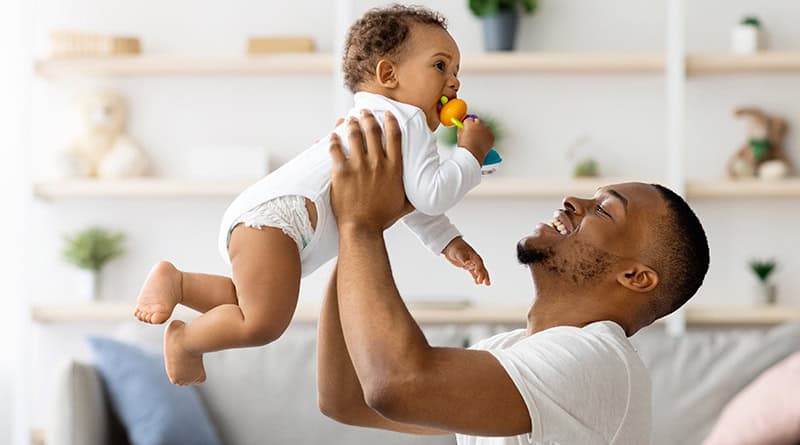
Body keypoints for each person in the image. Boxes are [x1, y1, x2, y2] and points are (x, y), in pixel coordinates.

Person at [132, 4, 495, 385]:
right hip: (281, 222)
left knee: (247, 304)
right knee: (263, 324)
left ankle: (181, 284)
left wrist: (447, 240)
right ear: (388, 74)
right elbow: (431, 194)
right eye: (440, 66)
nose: (453, 83)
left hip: (266, 217)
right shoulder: (407, 121)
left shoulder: (382, 122)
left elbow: (409, 198)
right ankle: (186, 340)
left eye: (456, 73)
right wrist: (470, 154)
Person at [317, 112, 710, 444]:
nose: (574, 202)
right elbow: (347, 398)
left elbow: (398, 385)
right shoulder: (510, 350)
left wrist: (361, 224)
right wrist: (355, 224)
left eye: (604, 211)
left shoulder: (598, 361)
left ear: (636, 277)